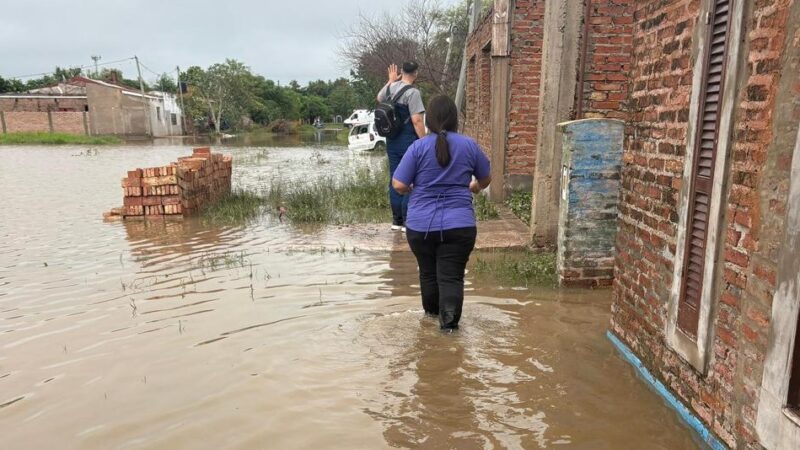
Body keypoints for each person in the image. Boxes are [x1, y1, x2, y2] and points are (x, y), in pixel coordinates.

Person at [391, 95, 492, 330]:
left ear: (429, 121)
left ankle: (429, 326)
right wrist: (474, 187)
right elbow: (486, 178)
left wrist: (413, 188)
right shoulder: (469, 145)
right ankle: (449, 332)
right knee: (452, 277)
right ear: (455, 119)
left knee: (428, 274)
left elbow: (398, 184)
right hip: (460, 225)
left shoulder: (418, 147)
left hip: (420, 226)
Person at [377, 61, 427, 232]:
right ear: (416, 73)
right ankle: (407, 220)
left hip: (391, 141)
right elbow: (417, 120)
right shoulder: (413, 93)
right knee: (411, 179)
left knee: (395, 178)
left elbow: (379, 98)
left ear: (401, 72)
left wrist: (391, 80)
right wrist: (425, 141)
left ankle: (396, 221)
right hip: (408, 141)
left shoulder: (390, 87)